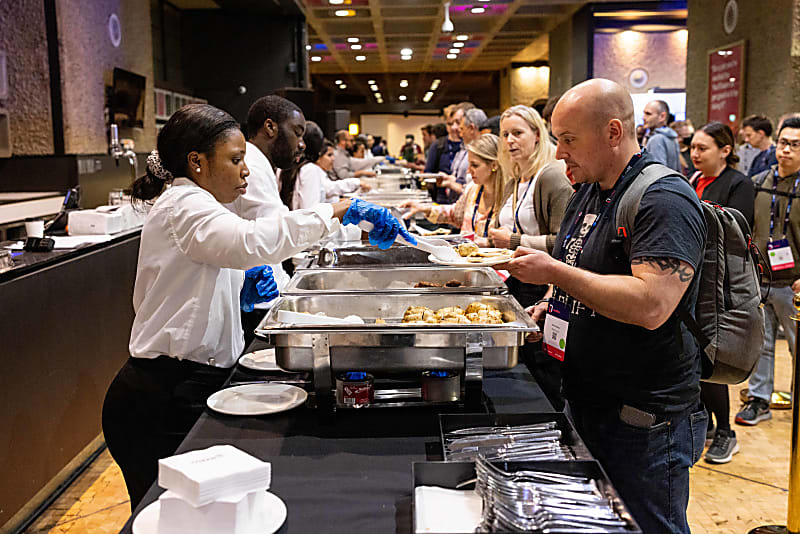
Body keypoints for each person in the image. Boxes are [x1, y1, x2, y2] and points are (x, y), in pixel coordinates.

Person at [101, 104, 414, 510]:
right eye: (234, 160)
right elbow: (250, 242)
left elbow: (231, 254)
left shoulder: (201, 205)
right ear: (197, 162)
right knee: (172, 516)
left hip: (182, 384)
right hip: (159, 396)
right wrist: (339, 210)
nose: (245, 170)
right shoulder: (185, 205)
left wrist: (241, 285)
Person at [505, 79, 707, 534]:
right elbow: (584, 267)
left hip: (643, 423)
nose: (559, 154)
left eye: (569, 140)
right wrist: (552, 306)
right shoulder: (590, 191)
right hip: (587, 403)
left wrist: (554, 275)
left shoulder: (663, 197)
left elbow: (653, 303)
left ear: (614, 132)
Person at [688, 121, 755, 463]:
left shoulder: (739, 184)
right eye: (693, 148)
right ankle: (708, 423)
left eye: (703, 148)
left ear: (725, 151)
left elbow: (735, 230)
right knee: (696, 358)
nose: (695, 154)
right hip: (693, 281)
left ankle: (726, 431)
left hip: (724, 286)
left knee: (714, 361)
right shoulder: (692, 181)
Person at [224, 94, 303, 346]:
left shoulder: (263, 165)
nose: (301, 143)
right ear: (270, 127)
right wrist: (337, 214)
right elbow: (277, 231)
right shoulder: (253, 167)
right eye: (297, 132)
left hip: (264, 289)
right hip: (255, 299)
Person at [736, 117, 800, 426]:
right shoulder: (759, 182)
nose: (786, 150)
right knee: (761, 344)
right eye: (783, 143)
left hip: (795, 285)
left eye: (795, 145)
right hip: (761, 279)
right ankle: (759, 399)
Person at [400, 134, 505, 242]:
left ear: (494, 165)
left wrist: (488, 243)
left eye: (475, 165)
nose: (468, 171)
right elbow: (455, 214)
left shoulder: (508, 199)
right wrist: (423, 208)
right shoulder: (473, 189)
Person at [280, 122, 366, 210]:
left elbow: (328, 189)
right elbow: (310, 212)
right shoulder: (309, 169)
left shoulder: (291, 167)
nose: (333, 159)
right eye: (329, 155)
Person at [438, 107, 488, 196]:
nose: (460, 134)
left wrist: (452, 184)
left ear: (472, 128)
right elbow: (460, 179)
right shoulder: (464, 148)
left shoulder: (483, 153)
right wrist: (449, 179)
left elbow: (476, 191)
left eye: (462, 129)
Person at [425, 106, 466, 204]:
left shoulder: (466, 146)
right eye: (449, 124)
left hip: (463, 197)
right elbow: (428, 171)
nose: (453, 127)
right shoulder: (438, 145)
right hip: (443, 198)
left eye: (457, 123)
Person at [642, 99, 681, 172]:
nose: (643, 118)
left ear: (662, 116)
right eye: (644, 113)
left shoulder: (656, 139)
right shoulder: (671, 137)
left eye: (648, 114)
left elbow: (657, 173)